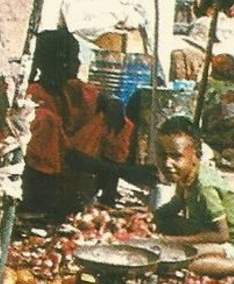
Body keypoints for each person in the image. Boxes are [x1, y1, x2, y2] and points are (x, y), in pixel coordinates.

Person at [22, 29, 151, 217]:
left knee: (117, 122)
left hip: (74, 162)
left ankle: (107, 198)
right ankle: (47, 207)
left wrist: (112, 104)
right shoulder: (34, 96)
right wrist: (125, 171)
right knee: (48, 122)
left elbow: (101, 100)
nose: (78, 63)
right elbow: (68, 156)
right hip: (49, 176)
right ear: (61, 61)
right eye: (74, 58)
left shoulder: (72, 88)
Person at [152, 116, 234, 278]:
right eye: (162, 155)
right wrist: (146, 217)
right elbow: (175, 205)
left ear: (195, 156)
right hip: (209, 231)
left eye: (176, 156)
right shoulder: (186, 177)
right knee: (166, 225)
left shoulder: (204, 186)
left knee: (185, 262)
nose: (167, 163)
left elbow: (222, 235)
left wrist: (168, 240)